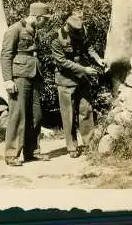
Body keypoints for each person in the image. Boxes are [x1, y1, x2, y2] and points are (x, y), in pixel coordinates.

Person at [0, 2, 52, 166]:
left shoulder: (33, 29)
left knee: (35, 114)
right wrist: (8, 79)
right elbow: (5, 55)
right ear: (38, 17)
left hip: (34, 74)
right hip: (19, 76)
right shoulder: (14, 29)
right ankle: (11, 154)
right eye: (45, 19)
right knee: (18, 114)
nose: (46, 23)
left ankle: (32, 152)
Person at [51, 11, 107, 158]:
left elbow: (88, 48)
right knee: (68, 114)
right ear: (68, 27)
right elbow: (62, 62)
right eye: (75, 31)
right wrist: (84, 69)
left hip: (82, 78)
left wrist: (97, 59)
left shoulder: (82, 31)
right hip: (66, 80)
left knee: (86, 110)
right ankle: (72, 147)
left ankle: (89, 143)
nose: (78, 34)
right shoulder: (57, 38)